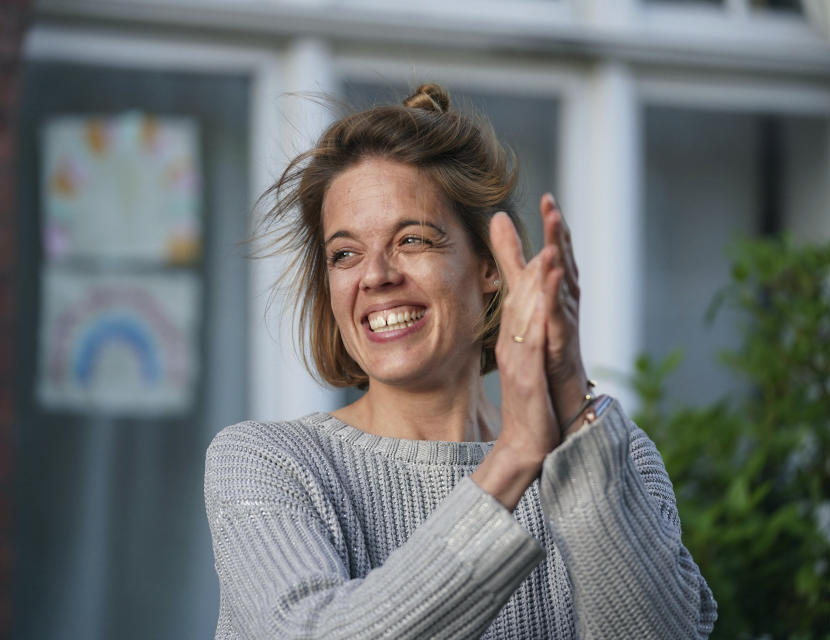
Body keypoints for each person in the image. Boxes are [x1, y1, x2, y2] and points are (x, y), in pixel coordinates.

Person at [204, 83, 718, 639]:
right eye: (345, 254)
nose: (375, 275)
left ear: (491, 266)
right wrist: (515, 458)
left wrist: (567, 393)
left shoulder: (616, 456)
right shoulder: (270, 465)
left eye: (413, 240)